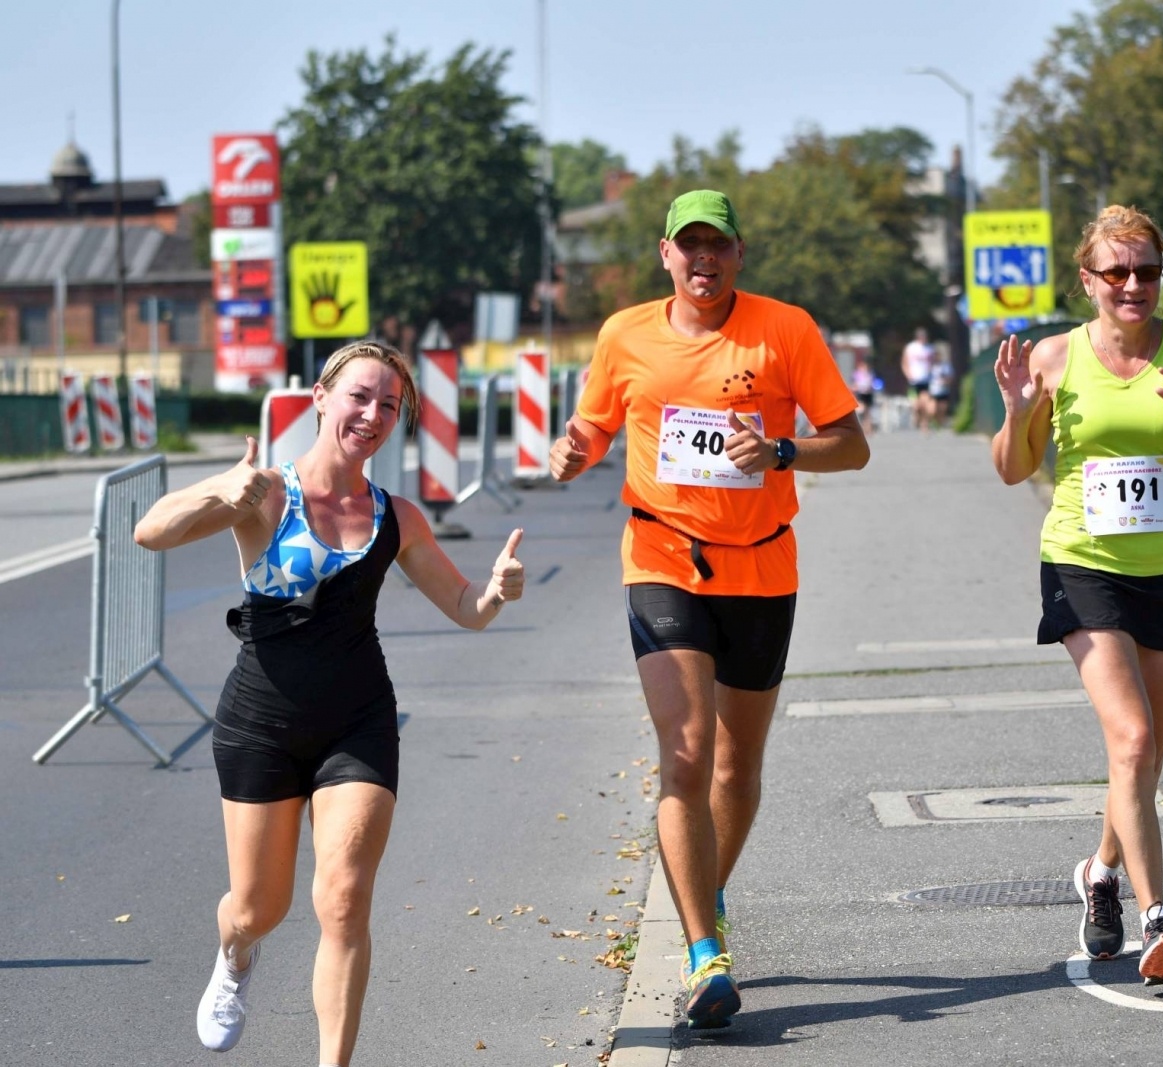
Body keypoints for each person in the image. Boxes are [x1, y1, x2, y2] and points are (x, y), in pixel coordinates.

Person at [133, 341, 526, 1065]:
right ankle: (235, 952)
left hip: (358, 721)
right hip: (260, 722)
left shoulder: (397, 515)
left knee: (344, 900)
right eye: (359, 396)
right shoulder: (266, 493)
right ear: (321, 396)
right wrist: (221, 493)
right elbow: (149, 530)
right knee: (260, 906)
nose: (372, 414)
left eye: (389, 405)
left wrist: (495, 591)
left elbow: (464, 605)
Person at [549, 189, 868, 1029]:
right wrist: (572, 450)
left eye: (717, 246)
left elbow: (854, 441)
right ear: (666, 254)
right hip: (661, 560)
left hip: (762, 568)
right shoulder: (624, 334)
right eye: (689, 246)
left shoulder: (784, 329)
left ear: (738, 254)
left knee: (735, 766)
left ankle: (707, 888)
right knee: (686, 755)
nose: (704, 260)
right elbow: (591, 428)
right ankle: (704, 953)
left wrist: (784, 449)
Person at [989, 205, 1163, 984]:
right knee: (1134, 740)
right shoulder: (1052, 358)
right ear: (1088, 281)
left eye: (1146, 270)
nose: (1133, 285)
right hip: (1084, 564)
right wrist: (1015, 410)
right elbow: (1013, 468)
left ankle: (1100, 872)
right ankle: (1159, 920)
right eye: (1116, 272)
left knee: (1140, 758)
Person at [901, 326, 935, 430]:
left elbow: (932, 362)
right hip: (913, 380)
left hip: (925, 380)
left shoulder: (929, 349)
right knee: (916, 406)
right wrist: (908, 374)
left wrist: (931, 372)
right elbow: (904, 362)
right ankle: (917, 417)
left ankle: (924, 424)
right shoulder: (911, 348)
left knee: (925, 403)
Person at [850, 351, 877, 435]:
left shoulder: (870, 373)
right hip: (861, 393)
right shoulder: (857, 373)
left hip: (868, 393)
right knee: (863, 410)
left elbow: (872, 383)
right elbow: (854, 383)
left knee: (868, 412)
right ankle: (863, 428)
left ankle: (868, 429)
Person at [927, 352, 954, 430]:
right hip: (933, 391)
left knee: (942, 409)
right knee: (933, 409)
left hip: (943, 391)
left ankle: (940, 424)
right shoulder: (931, 367)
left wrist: (946, 381)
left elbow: (950, 377)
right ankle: (935, 422)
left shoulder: (945, 366)